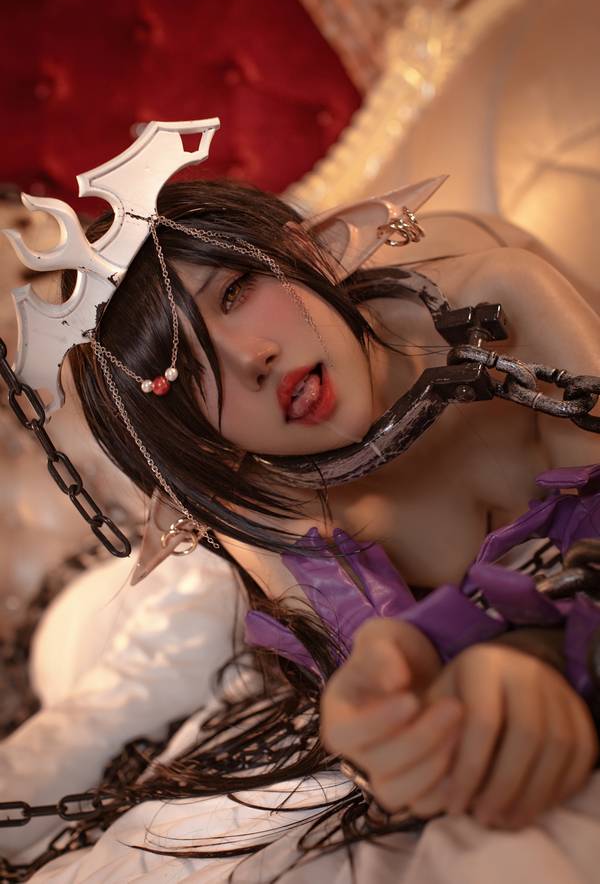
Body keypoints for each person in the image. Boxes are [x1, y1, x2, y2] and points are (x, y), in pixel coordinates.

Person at [3, 121, 600, 882]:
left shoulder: (501, 296)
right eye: (182, 379)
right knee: (129, 652)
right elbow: (376, 669)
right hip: (161, 578)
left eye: (236, 292)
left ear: (305, 253)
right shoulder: (260, 508)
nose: (251, 358)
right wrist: (377, 716)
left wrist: (533, 654)